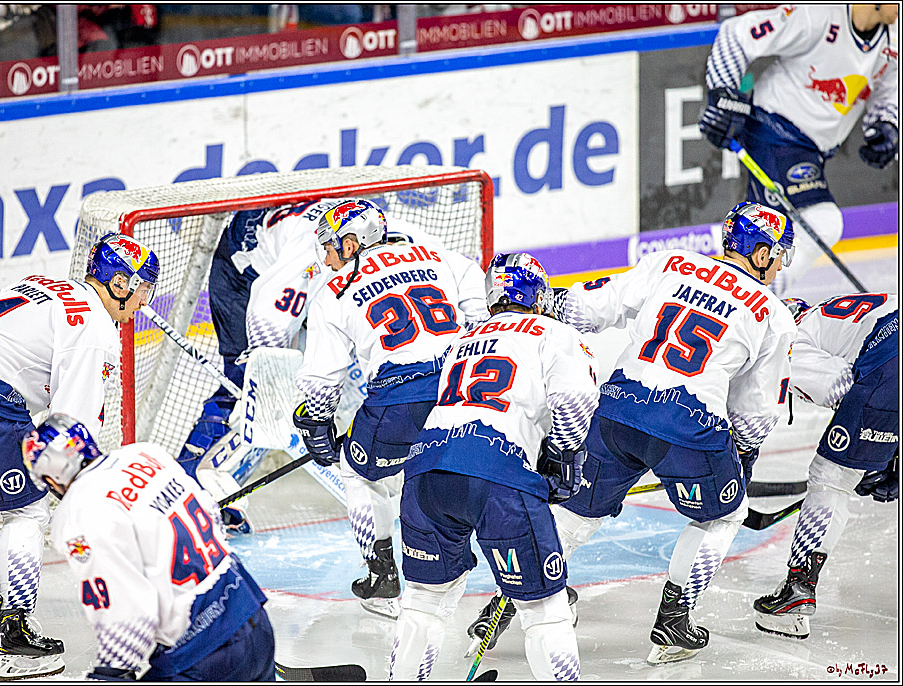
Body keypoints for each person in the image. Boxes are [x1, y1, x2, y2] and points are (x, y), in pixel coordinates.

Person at [547, 201, 798, 664]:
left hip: (617, 406)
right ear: (760, 254)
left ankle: (527, 599)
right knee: (724, 515)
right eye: (778, 253)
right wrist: (739, 459)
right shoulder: (775, 315)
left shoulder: (671, 262)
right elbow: (756, 411)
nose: (781, 263)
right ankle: (674, 620)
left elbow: (585, 308)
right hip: (689, 424)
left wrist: (532, 315)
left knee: (578, 511)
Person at [0, 233, 159, 679]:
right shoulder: (96, 330)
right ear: (119, 283)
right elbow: (69, 430)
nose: (142, 302)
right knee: (27, 512)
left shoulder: (43, 283)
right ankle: (15, 636)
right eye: (141, 289)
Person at [177, 198, 447, 532]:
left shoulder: (413, 245)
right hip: (245, 269)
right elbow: (268, 325)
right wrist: (271, 393)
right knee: (252, 386)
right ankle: (192, 483)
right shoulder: (315, 257)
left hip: (306, 241)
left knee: (341, 374)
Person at [388, 254, 597, 681]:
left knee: (425, 600)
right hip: (496, 474)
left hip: (425, 470)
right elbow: (575, 402)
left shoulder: (461, 340)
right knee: (544, 609)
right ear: (538, 295)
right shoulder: (555, 334)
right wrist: (563, 458)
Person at [291, 198, 488, 618]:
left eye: (329, 247)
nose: (325, 259)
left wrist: (318, 423)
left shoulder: (334, 290)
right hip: (463, 385)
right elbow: (473, 272)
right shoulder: (431, 254)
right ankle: (529, 576)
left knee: (360, 474)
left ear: (350, 243)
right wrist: (475, 325)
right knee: (471, 478)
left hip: (401, 396)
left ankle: (381, 576)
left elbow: (323, 376)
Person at [21, 413, 274, 681]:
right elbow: (211, 512)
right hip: (252, 614)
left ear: (51, 473)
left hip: (204, 653)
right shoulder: (144, 453)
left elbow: (125, 607)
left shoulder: (77, 512)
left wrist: (112, 671)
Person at [699, 4, 898, 294]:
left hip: (812, 150)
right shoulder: (817, 14)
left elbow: (889, 93)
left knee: (763, 233)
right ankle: (760, 301)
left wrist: (886, 125)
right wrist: (722, 95)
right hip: (775, 130)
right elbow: (735, 34)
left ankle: (738, 299)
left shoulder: (895, 37)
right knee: (822, 220)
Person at [754, 292, 898, 639]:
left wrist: (869, 456)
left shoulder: (789, 337)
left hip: (891, 356)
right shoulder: (829, 318)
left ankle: (796, 594)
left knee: (831, 478)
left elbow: (843, 388)